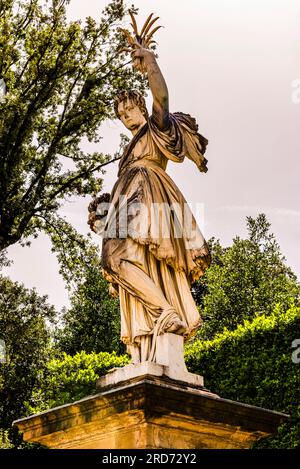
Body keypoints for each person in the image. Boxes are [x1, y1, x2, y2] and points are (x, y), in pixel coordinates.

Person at [89, 44, 211, 363]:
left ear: (139, 106)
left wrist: (151, 64)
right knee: (119, 261)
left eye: (128, 109)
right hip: (129, 197)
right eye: (120, 114)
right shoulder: (128, 151)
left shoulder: (155, 128)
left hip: (150, 192)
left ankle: (165, 311)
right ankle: (156, 319)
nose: (124, 116)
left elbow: (163, 99)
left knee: (112, 257)